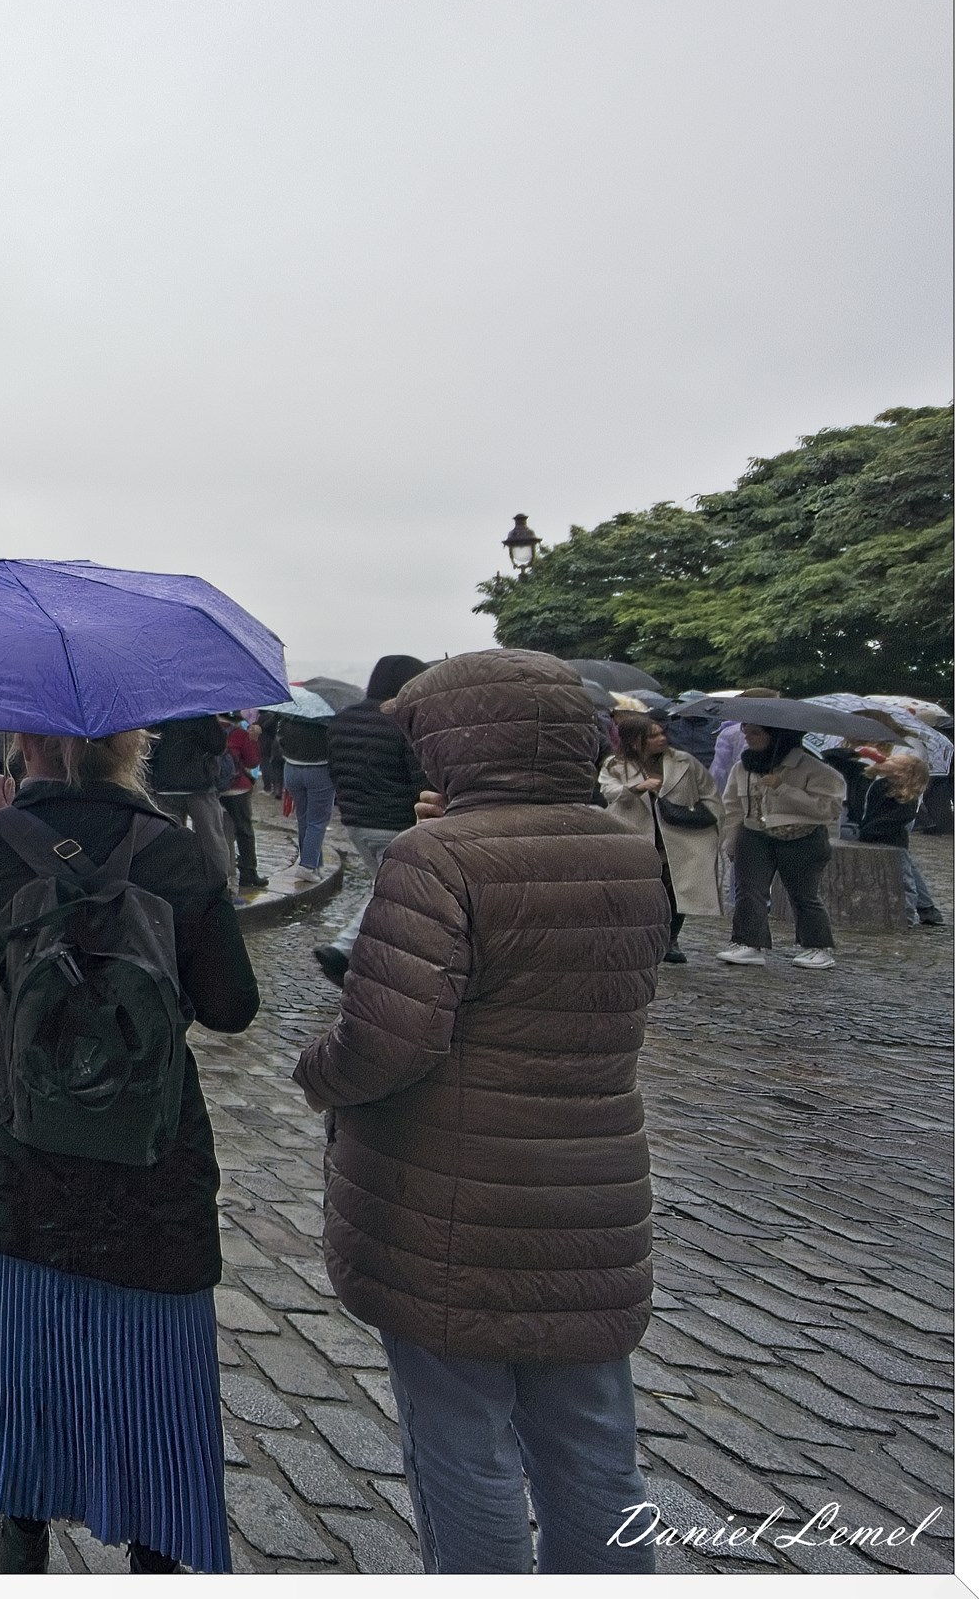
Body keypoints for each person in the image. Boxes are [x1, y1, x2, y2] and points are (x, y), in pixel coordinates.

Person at [292, 649, 669, 1575]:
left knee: (463, 1443)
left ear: (463, 741)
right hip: (590, 1191)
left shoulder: (438, 859)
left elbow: (387, 1042)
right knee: (589, 1441)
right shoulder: (627, 848)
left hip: (451, 1200)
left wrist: (316, 1070)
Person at [0, 723, 257, 1575]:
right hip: (147, 1164)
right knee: (152, 1366)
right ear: (132, 744)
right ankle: (157, 1539)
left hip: (17, 1152)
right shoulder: (178, 853)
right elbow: (232, 1004)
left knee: (26, 1343)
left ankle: (24, 1521)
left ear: (23, 743)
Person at [314, 655, 433, 984]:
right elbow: (419, 778)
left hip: (355, 821)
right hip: (394, 822)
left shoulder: (343, 719)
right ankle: (343, 949)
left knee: (386, 885)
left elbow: (336, 769)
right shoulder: (402, 722)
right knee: (389, 889)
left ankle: (377, 955)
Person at [719, 721, 844, 969]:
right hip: (754, 834)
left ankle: (817, 946)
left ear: (776, 735)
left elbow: (827, 810)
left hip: (802, 838)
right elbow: (732, 807)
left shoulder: (815, 769)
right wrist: (731, 841)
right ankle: (748, 942)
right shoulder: (743, 767)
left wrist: (783, 788)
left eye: (756, 733)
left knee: (803, 894)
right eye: (747, 733)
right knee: (749, 890)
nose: (749, 739)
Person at [599, 712, 718, 961]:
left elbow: (709, 793)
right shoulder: (616, 765)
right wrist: (635, 788)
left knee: (675, 888)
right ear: (634, 741)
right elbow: (608, 790)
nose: (661, 738)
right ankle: (634, 937)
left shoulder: (683, 762)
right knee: (637, 889)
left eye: (662, 733)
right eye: (653, 736)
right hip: (634, 833)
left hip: (676, 834)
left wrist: (709, 822)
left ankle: (670, 939)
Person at [843, 744, 943, 925]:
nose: (888, 759)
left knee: (904, 881)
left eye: (893, 761)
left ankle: (907, 917)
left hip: (893, 843)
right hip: (870, 839)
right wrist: (857, 753)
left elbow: (897, 818)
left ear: (903, 773)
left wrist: (870, 829)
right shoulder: (879, 784)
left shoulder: (906, 796)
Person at [142, 714, 232, 888]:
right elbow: (218, 746)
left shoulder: (160, 710)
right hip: (199, 785)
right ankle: (219, 887)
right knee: (211, 838)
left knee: (168, 839)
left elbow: (149, 747)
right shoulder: (201, 712)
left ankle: (173, 885)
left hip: (166, 783)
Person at [271, 705, 335, 880]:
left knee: (304, 818)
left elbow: (280, 741)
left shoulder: (290, 716)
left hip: (291, 769)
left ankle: (314, 862)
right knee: (317, 821)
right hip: (319, 771)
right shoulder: (328, 720)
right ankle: (307, 866)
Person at [219, 714, 266, 891]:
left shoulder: (205, 730)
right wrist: (253, 739)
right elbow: (253, 762)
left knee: (214, 832)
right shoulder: (240, 733)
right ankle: (248, 874)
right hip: (238, 789)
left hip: (212, 790)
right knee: (244, 831)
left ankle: (217, 872)